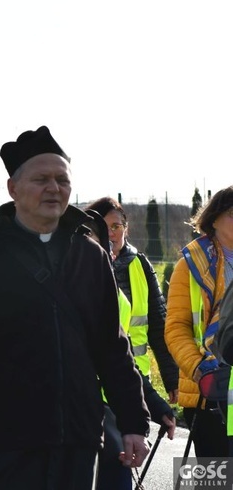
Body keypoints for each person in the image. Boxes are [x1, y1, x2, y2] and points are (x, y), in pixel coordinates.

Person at [0, 126, 150, 490]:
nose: (54, 188)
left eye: (62, 179)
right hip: (4, 445)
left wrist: (133, 423)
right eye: (41, 179)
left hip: (78, 441)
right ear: (13, 188)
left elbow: (112, 347)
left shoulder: (90, 257)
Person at [83, 209, 175, 490]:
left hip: (125, 400)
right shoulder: (194, 263)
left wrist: (159, 394)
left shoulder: (134, 271)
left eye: (116, 227)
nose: (111, 239)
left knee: (216, 476)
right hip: (83, 416)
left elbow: (120, 356)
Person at [87, 197, 179, 402]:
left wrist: (172, 378)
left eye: (116, 226)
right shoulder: (80, 264)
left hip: (135, 383)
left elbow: (158, 324)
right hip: (93, 386)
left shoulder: (140, 264)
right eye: (103, 227)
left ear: (126, 229)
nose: (111, 233)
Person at [165, 186, 233, 456]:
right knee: (213, 479)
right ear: (214, 218)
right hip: (210, 390)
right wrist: (199, 369)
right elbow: (175, 328)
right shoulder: (190, 263)